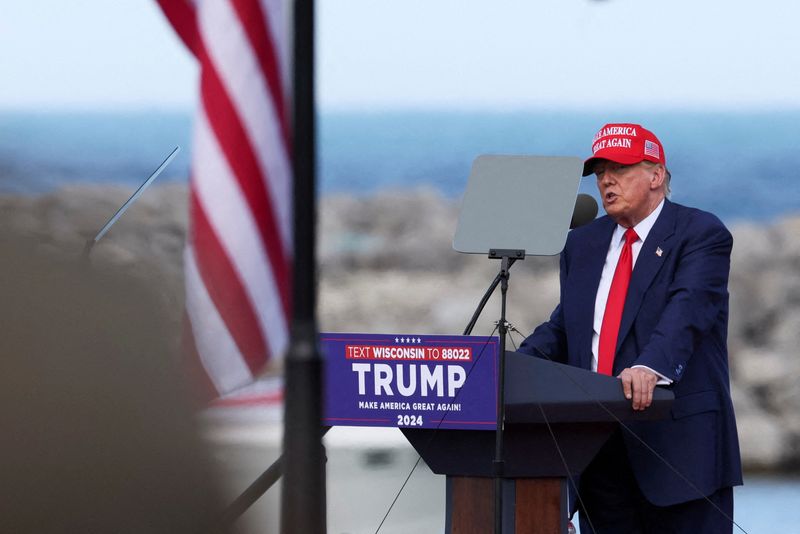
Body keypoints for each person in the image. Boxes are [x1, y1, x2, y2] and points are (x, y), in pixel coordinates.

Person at [518, 123, 742, 533]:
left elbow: (687, 311)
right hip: (597, 454)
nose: (606, 179)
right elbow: (568, 325)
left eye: (619, 168)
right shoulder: (583, 242)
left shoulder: (700, 234)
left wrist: (650, 366)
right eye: (600, 170)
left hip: (679, 454)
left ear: (656, 175)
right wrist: (507, 368)